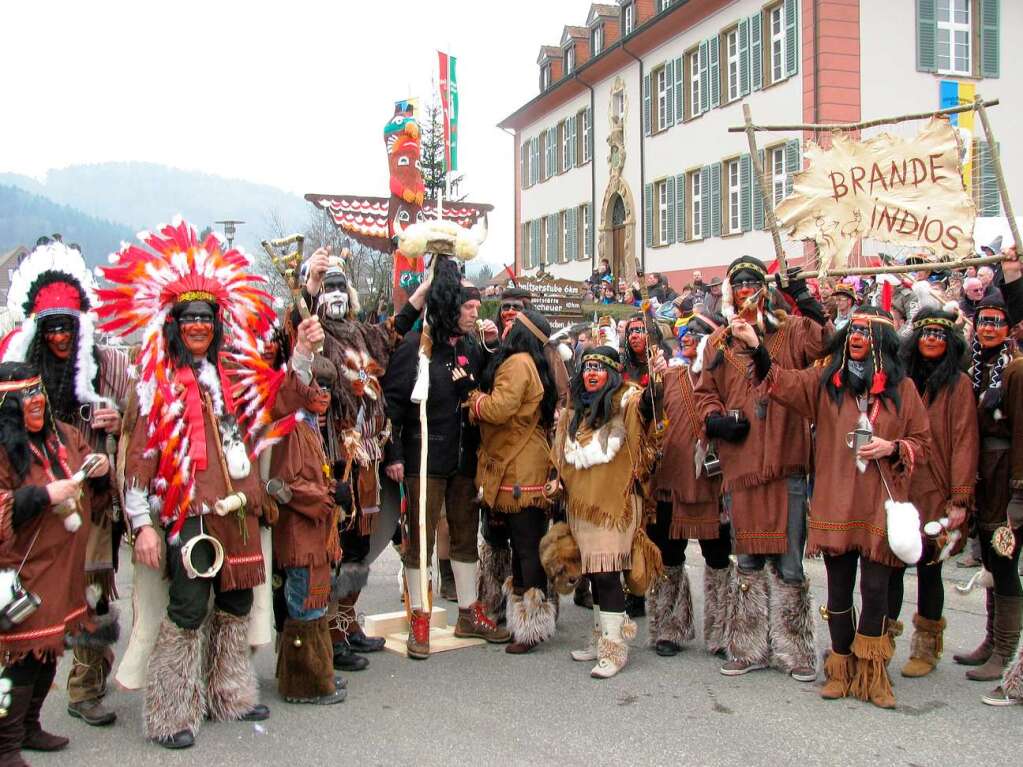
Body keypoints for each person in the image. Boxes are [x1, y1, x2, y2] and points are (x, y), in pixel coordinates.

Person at [98, 219, 275, 749]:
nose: (198, 325)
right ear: (174, 324)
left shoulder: (233, 377)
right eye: (189, 318)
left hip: (236, 512)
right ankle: (172, 711)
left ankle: (227, 692)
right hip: (188, 518)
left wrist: (306, 354)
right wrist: (144, 526)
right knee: (188, 610)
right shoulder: (154, 384)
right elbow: (138, 465)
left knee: (237, 605)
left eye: (207, 317)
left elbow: (278, 401)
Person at [732, 307, 930, 709]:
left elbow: (922, 443)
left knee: (875, 593)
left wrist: (893, 447)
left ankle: (872, 675)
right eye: (852, 330)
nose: (856, 337)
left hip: (878, 504)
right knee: (838, 592)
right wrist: (756, 346)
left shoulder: (903, 389)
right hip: (836, 501)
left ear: (882, 343)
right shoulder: (827, 383)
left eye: (865, 332)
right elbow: (782, 382)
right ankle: (840, 671)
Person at [0, 237, 131, 727]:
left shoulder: (108, 363)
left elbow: (138, 416)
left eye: (67, 328)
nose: (60, 338)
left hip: (94, 501)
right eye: (51, 328)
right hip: (37, 509)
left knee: (93, 591)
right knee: (33, 601)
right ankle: (22, 716)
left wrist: (119, 422)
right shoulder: (21, 373)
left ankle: (85, 687)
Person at [694, 256, 829, 683]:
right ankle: (748, 646)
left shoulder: (790, 330)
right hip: (741, 463)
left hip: (786, 459)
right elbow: (705, 394)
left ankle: (795, 650)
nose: (746, 290)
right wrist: (714, 419)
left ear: (765, 290)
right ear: (729, 293)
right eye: (739, 284)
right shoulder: (717, 342)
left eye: (754, 282)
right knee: (748, 561)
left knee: (790, 564)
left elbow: (826, 342)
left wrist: (803, 296)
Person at [382, 224, 507, 658]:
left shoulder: (471, 347)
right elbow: (392, 406)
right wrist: (395, 454)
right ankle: (419, 614)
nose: (474, 312)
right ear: (448, 307)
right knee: (419, 538)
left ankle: (469, 611)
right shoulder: (416, 347)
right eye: (467, 307)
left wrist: (491, 348)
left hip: (463, 459)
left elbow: (487, 388)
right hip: (424, 458)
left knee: (464, 535)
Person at [0, 361, 113, 766]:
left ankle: (29, 727)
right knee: (23, 657)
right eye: (22, 397)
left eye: (37, 394)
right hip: (24, 568)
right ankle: (5, 744)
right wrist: (45, 496)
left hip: (65, 568)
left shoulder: (63, 434)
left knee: (51, 649)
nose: (33, 403)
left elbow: (92, 476)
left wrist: (100, 471)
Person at [300, 249, 391, 671]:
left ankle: (346, 621)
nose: (335, 293)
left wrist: (425, 291)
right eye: (328, 287)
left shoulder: (362, 333)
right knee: (334, 547)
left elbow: (395, 332)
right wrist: (310, 286)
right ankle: (329, 638)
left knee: (358, 546)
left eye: (340, 286)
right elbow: (293, 334)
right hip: (332, 457)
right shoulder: (313, 333)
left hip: (367, 459)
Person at [555, 345, 666, 678]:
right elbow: (560, 455)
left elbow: (648, 410)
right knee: (592, 573)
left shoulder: (627, 401)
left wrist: (657, 381)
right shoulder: (575, 410)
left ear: (612, 374)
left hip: (614, 506)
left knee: (606, 575)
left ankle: (615, 649)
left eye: (598, 368)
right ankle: (601, 639)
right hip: (582, 507)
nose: (591, 374)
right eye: (587, 368)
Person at [888, 309, 977, 678]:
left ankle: (926, 648)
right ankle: (879, 639)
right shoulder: (901, 380)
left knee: (929, 569)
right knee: (890, 567)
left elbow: (965, 443)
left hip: (937, 490)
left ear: (950, 342)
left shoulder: (958, 386)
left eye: (941, 334)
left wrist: (958, 500)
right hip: (900, 487)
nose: (933, 339)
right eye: (927, 333)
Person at [468, 309, 559, 653]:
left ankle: (532, 627)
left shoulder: (519, 362)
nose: (505, 329)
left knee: (526, 547)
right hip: (523, 462)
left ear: (522, 333)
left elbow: (499, 409)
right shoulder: (528, 361)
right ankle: (524, 620)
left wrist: (473, 399)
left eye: (512, 325)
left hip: (523, 468)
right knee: (525, 545)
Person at [269, 320, 348, 706]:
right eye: (316, 387)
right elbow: (283, 484)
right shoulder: (288, 425)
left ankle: (319, 672)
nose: (323, 395)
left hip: (315, 533)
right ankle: (302, 685)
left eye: (329, 389)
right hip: (300, 533)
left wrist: (333, 490)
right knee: (303, 605)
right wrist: (329, 498)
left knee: (315, 601)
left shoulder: (312, 426)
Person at [647, 312, 733, 657]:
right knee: (669, 557)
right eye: (685, 331)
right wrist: (651, 381)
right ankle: (669, 627)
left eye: (697, 332)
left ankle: (723, 631)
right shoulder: (669, 375)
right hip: (670, 481)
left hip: (712, 483)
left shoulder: (727, 377)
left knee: (718, 559)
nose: (687, 335)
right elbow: (647, 415)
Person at [952, 297, 1023, 701]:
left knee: (1006, 562)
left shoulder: (1014, 370)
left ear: (1010, 327)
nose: (989, 328)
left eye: (997, 322)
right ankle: (991, 641)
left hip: (1006, 481)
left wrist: (1018, 494)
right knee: (993, 563)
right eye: (983, 321)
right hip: (983, 477)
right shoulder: (974, 366)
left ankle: (1004, 650)